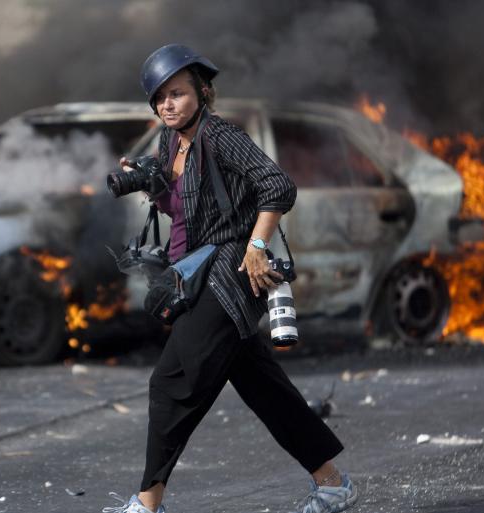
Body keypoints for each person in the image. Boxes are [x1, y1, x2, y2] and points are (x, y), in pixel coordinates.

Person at [104, 45, 358, 513]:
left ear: (202, 92)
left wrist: (257, 245)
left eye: (177, 94)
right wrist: (150, 185)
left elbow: (278, 185)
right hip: (194, 275)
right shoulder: (169, 142)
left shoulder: (222, 136)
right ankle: (333, 485)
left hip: (227, 277)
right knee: (265, 389)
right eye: (159, 98)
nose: (168, 104)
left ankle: (146, 504)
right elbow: (184, 210)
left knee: (172, 384)